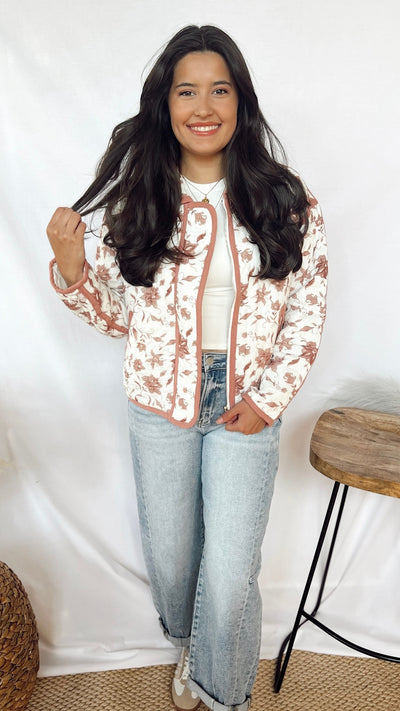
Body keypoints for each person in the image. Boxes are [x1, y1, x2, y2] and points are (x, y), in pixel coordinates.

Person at [47, 24, 327, 711]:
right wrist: (74, 270)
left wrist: (267, 400)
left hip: (245, 403)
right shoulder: (138, 200)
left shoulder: (286, 201)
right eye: (187, 91)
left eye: (219, 90)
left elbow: (307, 312)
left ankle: (223, 690)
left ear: (241, 101)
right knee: (174, 565)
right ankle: (190, 645)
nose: (204, 107)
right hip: (158, 404)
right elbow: (121, 318)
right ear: (165, 103)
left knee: (229, 573)